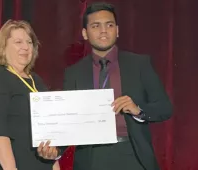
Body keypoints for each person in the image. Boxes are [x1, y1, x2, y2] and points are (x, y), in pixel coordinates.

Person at [63, 2, 173, 170]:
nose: (104, 30)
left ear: (117, 30)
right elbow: (67, 120)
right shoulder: (73, 73)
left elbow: (165, 108)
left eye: (109, 25)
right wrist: (54, 149)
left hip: (133, 154)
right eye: (96, 26)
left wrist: (138, 110)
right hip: (92, 158)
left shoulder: (139, 64)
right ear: (85, 33)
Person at [0, 20, 62, 170]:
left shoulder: (37, 81)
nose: (26, 47)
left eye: (29, 42)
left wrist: (53, 157)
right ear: (3, 47)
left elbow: (49, 131)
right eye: (18, 42)